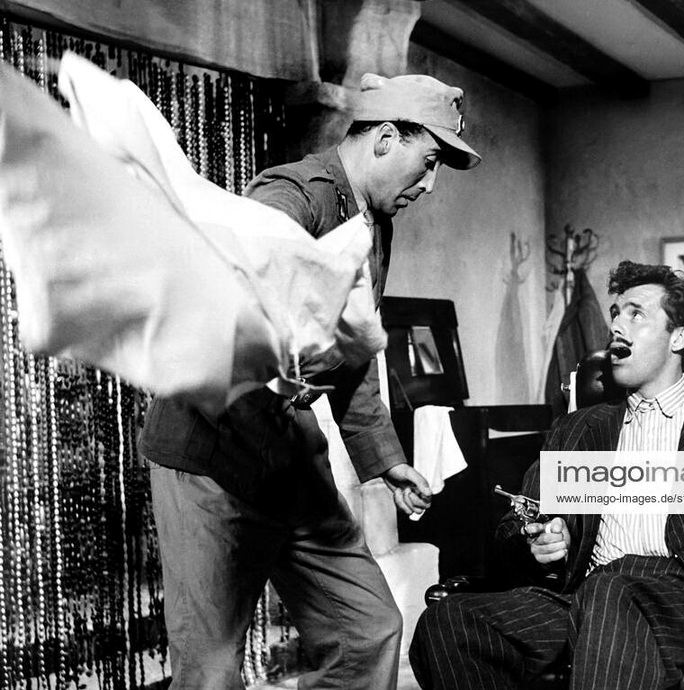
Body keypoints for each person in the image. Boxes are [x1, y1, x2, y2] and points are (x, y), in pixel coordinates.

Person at [138, 72, 482, 690]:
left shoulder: (375, 223)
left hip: (287, 448)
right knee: (210, 666)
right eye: (429, 162)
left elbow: (353, 357)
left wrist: (386, 462)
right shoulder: (296, 192)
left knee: (367, 630)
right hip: (211, 446)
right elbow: (243, 267)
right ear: (385, 138)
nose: (429, 184)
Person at [410, 260, 684, 690]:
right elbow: (516, 523)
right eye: (615, 313)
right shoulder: (578, 430)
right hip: (589, 595)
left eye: (636, 314)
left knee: (610, 592)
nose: (616, 326)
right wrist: (535, 541)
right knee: (448, 622)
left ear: (679, 337)